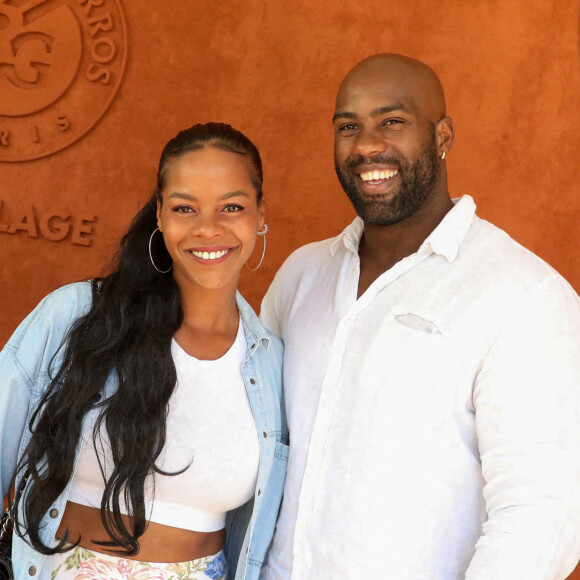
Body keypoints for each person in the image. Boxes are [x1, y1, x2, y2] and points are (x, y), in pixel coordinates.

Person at [260, 54, 580, 579]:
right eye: (348, 126)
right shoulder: (302, 274)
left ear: (443, 135)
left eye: (392, 121)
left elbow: (542, 513)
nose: (366, 145)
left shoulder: (525, 295)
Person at [0, 123, 288, 580]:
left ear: (260, 213)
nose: (208, 227)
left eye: (232, 206)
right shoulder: (76, 316)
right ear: (160, 213)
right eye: (184, 207)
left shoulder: (272, 365)